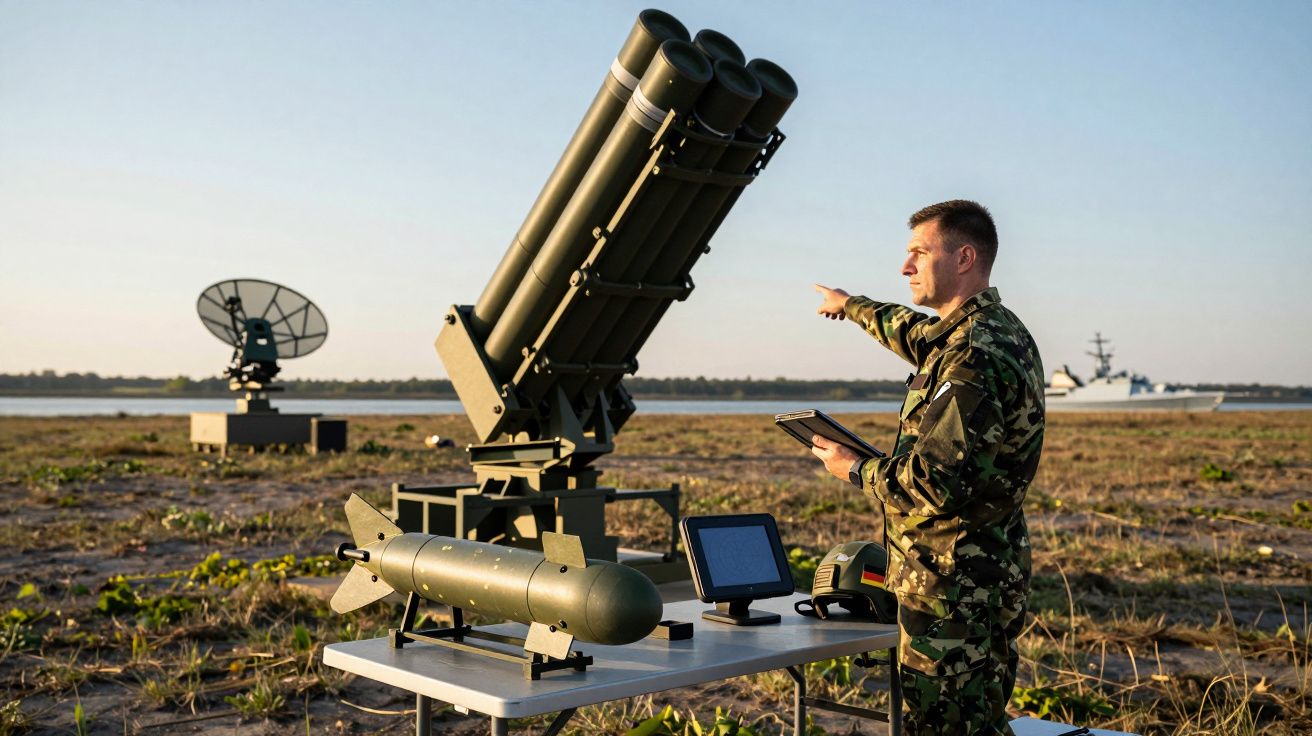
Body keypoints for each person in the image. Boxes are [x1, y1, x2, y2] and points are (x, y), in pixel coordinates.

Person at [810, 200, 1045, 736]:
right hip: (978, 576)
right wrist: (850, 306)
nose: (905, 266)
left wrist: (855, 468)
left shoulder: (974, 354)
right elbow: (913, 333)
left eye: (918, 252)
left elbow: (936, 483)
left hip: (954, 590)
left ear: (964, 257)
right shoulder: (983, 332)